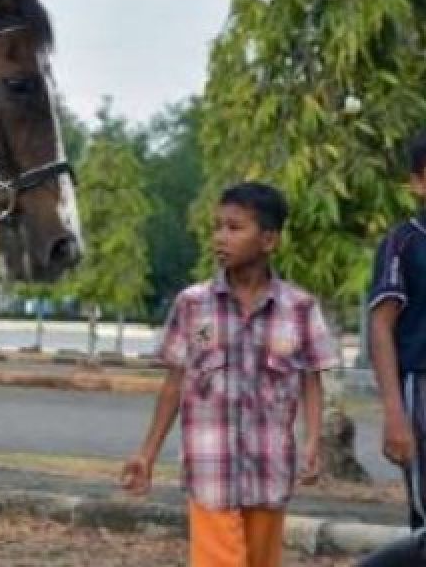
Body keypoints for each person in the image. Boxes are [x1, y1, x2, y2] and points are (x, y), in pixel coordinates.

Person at [120, 181, 337, 567]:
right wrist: (147, 454)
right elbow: (174, 384)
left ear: (269, 240)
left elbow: (310, 379)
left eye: (235, 228)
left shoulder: (299, 308)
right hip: (210, 467)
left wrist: (312, 441)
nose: (221, 237)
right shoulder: (192, 305)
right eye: (217, 227)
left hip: (270, 468)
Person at [368, 129, 426, 532]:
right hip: (420, 387)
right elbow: (381, 325)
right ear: (419, 182)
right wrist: (394, 414)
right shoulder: (403, 243)